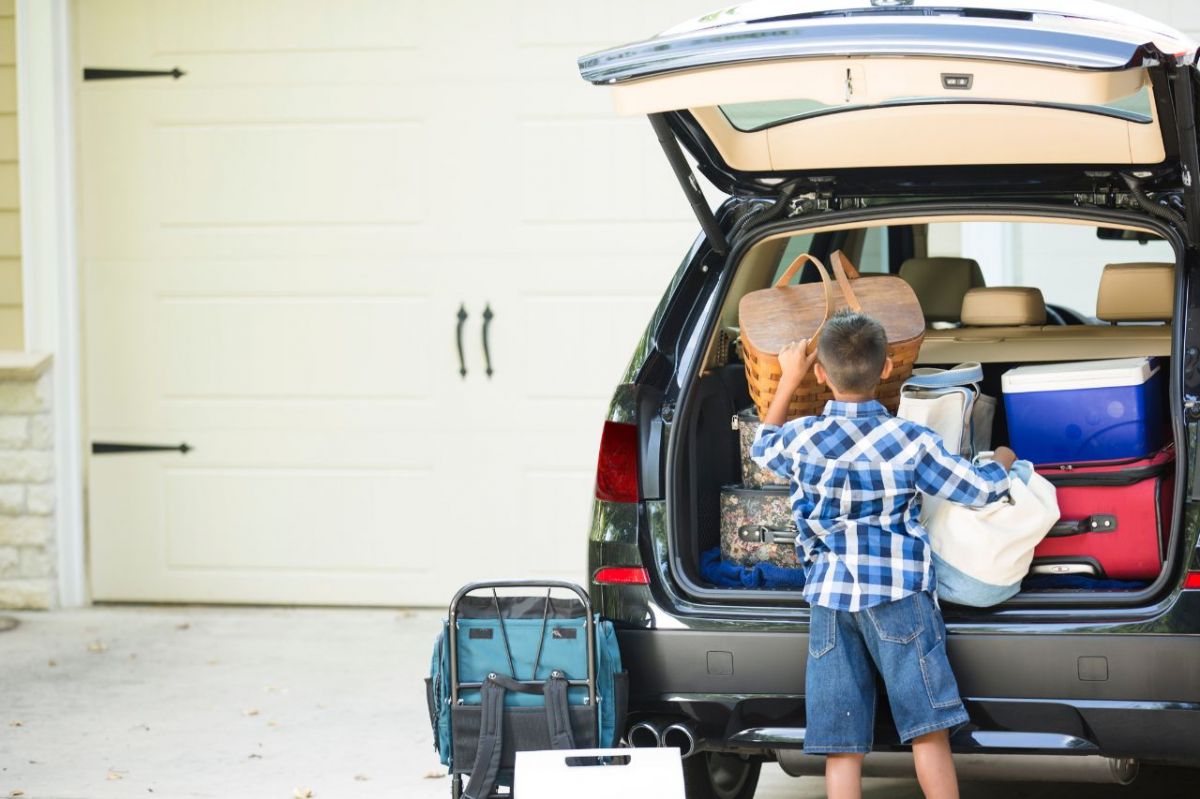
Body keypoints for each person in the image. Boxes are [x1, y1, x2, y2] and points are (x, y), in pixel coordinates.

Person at [750, 309, 1016, 799]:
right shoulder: (911, 441)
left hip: (830, 599)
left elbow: (762, 448)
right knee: (927, 726)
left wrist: (788, 378)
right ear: (889, 369)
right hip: (899, 596)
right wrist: (1003, 461)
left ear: (822, 374)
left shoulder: (803, 437)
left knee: (842, 744)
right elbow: (978, 491)